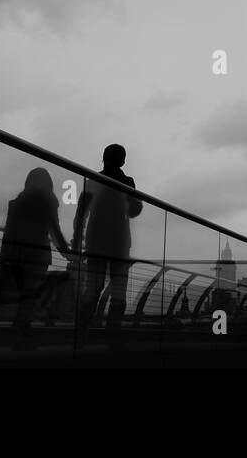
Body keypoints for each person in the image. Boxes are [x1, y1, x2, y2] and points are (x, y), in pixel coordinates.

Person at [73, 144, 143, 349]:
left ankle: (80, 334)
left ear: (104, 158)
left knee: (91, 290)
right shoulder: (127, 182)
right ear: (122, 161)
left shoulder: (93, 179)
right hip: (120, 243)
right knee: (119, 292)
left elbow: (81, 213)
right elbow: (134, 210)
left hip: (95, 241)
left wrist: (78, 238)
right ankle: (112, 336)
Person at [0, 167, 72, 350]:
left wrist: (3, 257)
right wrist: (67, 253)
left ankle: (19, 335)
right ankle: (21, 336)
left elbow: (8, 232)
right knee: (30, 298)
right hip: (38, 256)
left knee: (24, 298)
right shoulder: (49, 202)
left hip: (16, 255)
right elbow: (55, 230)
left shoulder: (17, 203)